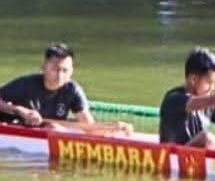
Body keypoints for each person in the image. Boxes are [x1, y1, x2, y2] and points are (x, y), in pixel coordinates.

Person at [0, 44, 131, 134]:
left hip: (47, 130)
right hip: (11, 128)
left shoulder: (73, 91)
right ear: (43, 67)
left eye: (65, 70)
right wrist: (18, 110)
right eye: (55, 69)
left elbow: (89, 127)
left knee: (55, 128)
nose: (60, 75)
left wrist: (113, 127)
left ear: (72, 71)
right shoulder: (26, 84)